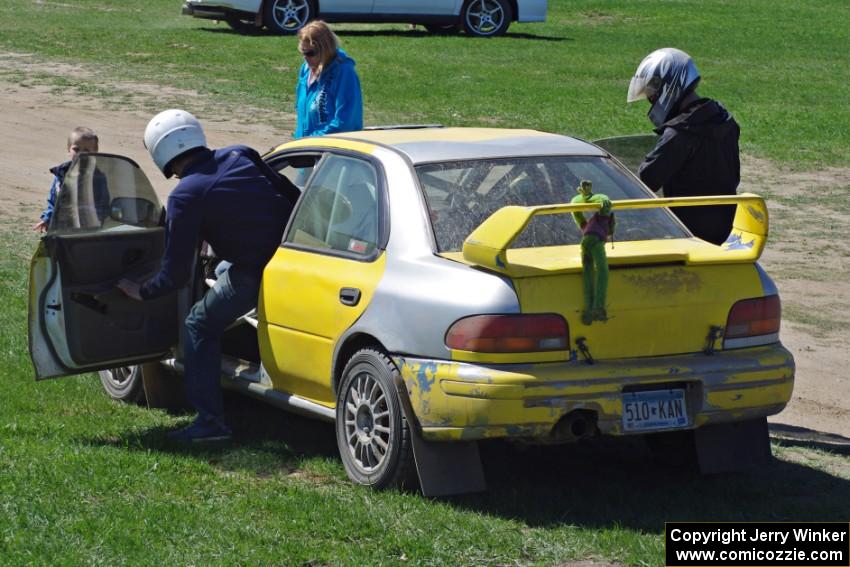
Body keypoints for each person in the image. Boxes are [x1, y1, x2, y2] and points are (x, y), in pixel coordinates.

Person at [117, 109, 298, 443]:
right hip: (295, 259)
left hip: (255, 272)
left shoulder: (185, 195)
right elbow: (290, 196)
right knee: (219, 268)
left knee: (197, 325)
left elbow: (172, 274)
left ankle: (210, 422)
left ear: (162, 152)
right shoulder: (240, 153)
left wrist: (141, 291)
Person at [627, 48, 740, 245]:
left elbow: (647, 179)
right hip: (725, 228)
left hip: (688, 234)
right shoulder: (723, 120)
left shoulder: (680, 133)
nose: (651, 100)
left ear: (670, 85)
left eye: (653, 93)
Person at [294, 20, 363, 138]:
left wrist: (311, 141)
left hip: (331, 149)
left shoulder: (344, 73)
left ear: (325, 49)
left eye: (310, 53)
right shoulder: (306, 70)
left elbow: (345, 123)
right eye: (303, 52)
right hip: (306, 147)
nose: (306, 58)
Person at [33, 127, 99, 232]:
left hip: (89, 228)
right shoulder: (60, 174)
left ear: (94, 153)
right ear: (69, 150)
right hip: (62, 226)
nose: (80, 153)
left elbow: (103, 203)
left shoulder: (98, 177)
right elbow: (53, 202)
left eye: (86, 150)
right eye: (76, 149)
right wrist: (47, 218)